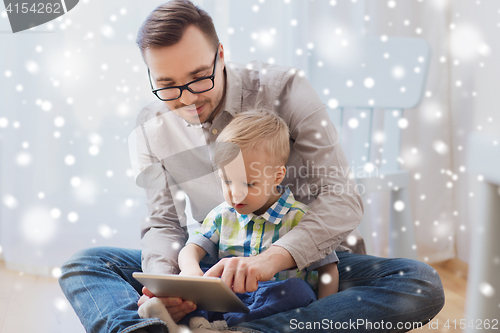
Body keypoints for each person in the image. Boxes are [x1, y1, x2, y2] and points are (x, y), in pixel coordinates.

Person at [58, 1, 445, 333]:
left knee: (418, 282)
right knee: (86, 264)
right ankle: (145, 329)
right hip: (217, 262)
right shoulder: (148, 126)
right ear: (150, 77)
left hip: (309, 267)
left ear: (221, 54)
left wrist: (269, 261)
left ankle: (251, 330)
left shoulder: (287, 91)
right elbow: (164, 225)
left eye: (198, 78)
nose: (188, 99)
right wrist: (173, 283)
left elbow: (342, 200)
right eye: (168, 86)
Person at [139, 110, 339, 329]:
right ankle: (189, 324)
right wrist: (190, 271)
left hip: (275, 300)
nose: (235, 194)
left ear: (277, 176)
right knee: (202, 279)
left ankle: (230, 327)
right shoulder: (221, 215)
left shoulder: (301, 217)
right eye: (226, 181)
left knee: (296, 290)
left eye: (248, 184)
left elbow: (328, 269)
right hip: (229, 300)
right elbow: (191, 248)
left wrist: (324, 311)